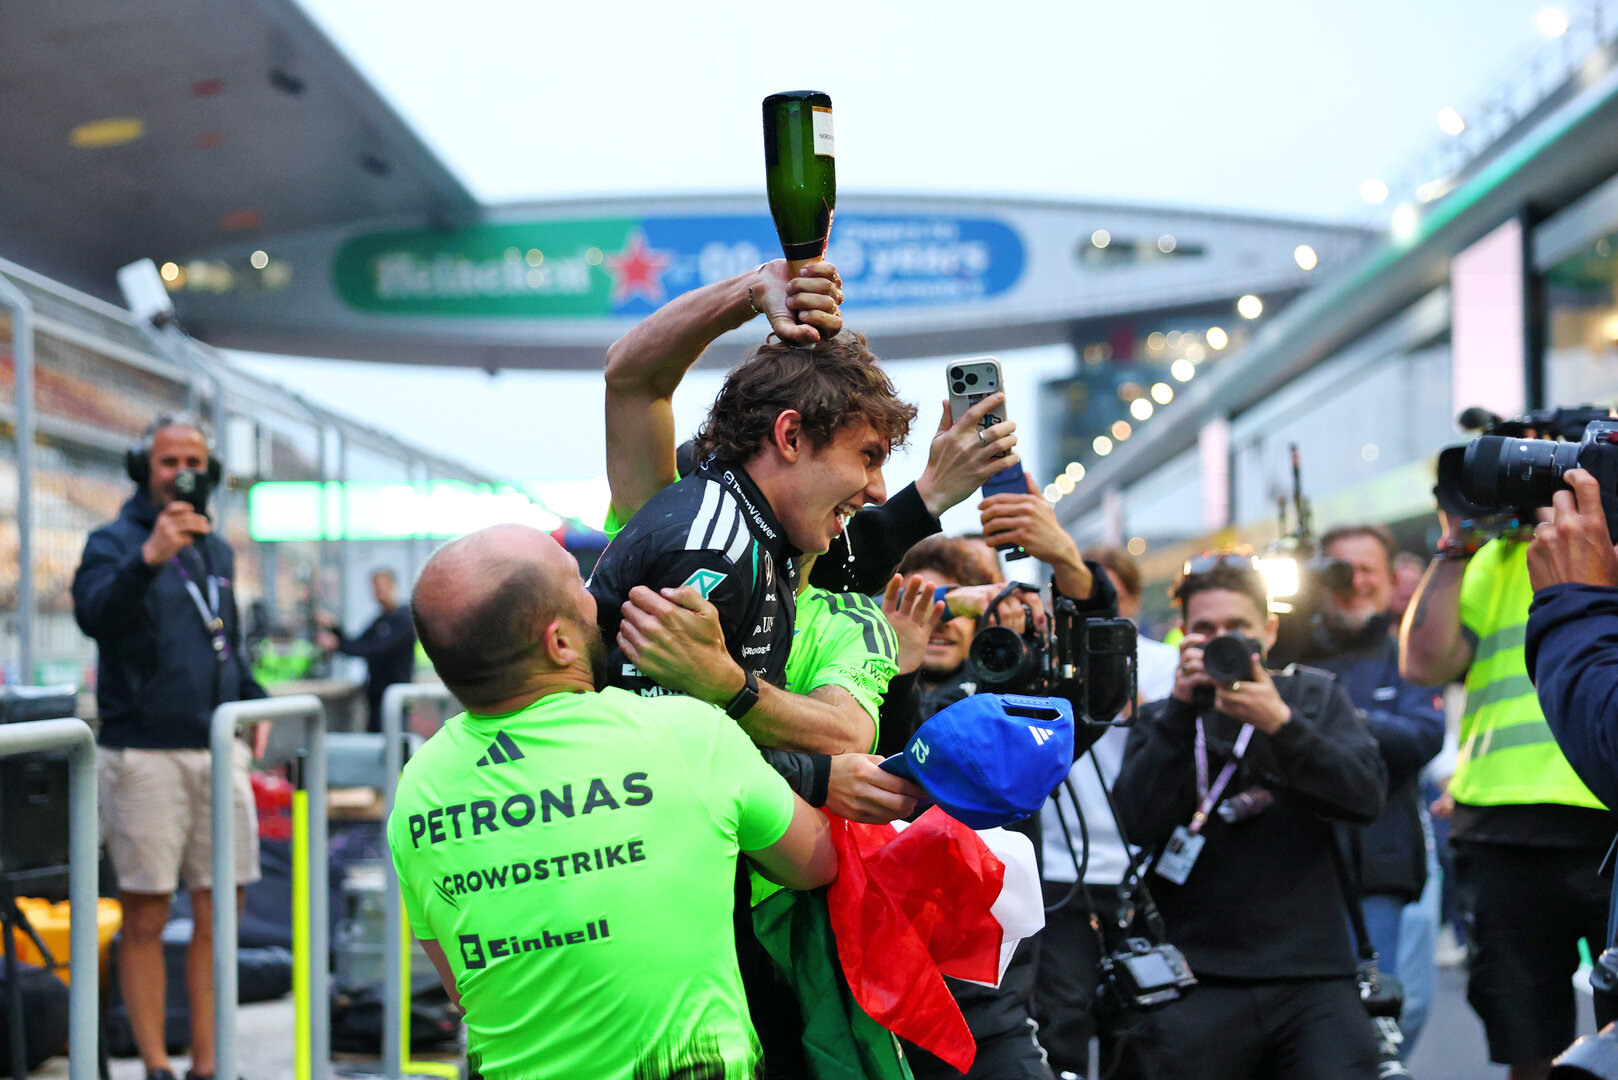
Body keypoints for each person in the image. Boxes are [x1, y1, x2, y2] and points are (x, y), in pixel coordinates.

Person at [388, 524, 836, 1079]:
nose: (598, 599)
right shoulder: (686, 734)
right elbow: (816, 863)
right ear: (558, 643)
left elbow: (463, 987)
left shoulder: (417, 787)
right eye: (580, 585)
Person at [1115, 557, 1387, 1080]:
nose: (1225, 641)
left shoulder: (1311, 696)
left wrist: (1282, 725)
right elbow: (1134, 821)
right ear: (1182, 636)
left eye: (1239, 628)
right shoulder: (1166, 717)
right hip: (1194, 975)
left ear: (1270, 629)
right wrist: (1178, 712)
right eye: (1205, 629)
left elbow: (1365, 797)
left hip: (1312, 975)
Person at [883, 526, 1122, 1080]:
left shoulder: (1011, 711)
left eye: (953, 605)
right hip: (872, 983)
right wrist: (897, 670)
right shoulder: (847, 691)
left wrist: (1069, 564)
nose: (939, 622)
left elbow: (1097, 698)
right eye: (923, 605)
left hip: (988, 1003)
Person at [71, 413, 267, 1080]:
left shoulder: (216, 549)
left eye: (194, 460)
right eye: (167, 460)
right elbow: (94, 613)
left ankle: (210, 1066)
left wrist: (254, 697)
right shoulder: (114, 541)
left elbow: (226, 644)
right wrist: (148, 556)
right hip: (144, 755)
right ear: (142, 467)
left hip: (217, 749)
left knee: (221, 912)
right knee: (147, 913)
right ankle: (156, 1066)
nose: (182, 470)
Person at [1402, 491, 1611, 1080]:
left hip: (1606, 814)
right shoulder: (1492, 558)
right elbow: (1423, 663)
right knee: (1527, 1043)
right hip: (1501, 822)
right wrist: (1455, 545)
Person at [1033, 545, 1178, 1080]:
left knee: (1142, 1024)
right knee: (1059, 1021)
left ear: (1132, 600)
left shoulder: (1165, 663)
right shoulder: (1046, 663)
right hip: (1059, 868)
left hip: (1141, 870)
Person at [1304, 525, 1444, 1037]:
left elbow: (1421, 737)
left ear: (1390, 581)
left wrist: (1334, 721)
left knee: (1378, 1019)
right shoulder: (1287, 647)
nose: (1356, 582)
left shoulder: (1408, 652)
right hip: (1294, 868)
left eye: (1369, 570)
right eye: (1342, 569)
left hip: (1378, 864)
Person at [317, 567, 416, 731]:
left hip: (394, 698)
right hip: (376, 697)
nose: (379, 592)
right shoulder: (381, 620)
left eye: (382, 586)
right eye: (376, 588)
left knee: (395, 743)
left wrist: (337, 644)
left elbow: (373, 649)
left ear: (393, 586)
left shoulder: (403, 620)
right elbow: (357, 643)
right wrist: (335, 629)